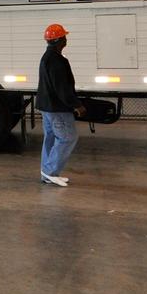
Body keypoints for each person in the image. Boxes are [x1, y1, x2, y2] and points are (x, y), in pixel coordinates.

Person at [35, 23, 86, 187]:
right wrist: (77, 105)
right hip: (57, 108)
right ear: (58, 40)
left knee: (51, 138)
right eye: (64, 37)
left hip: (47, 106)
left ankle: (47, 173)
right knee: (67, 138)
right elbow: (62, 88)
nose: (66, 40)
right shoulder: (56, 61)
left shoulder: (47, 57)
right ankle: (50, 172)